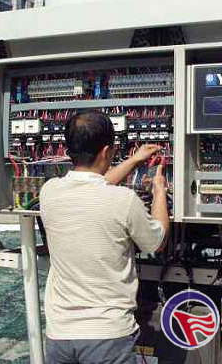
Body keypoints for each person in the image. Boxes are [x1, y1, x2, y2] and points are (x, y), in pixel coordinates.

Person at [40, 110, 170, 364]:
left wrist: (134, 160)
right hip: (108, 336)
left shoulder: (49, 192)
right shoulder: (124, 200)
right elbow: (157, 241)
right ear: (107, 152)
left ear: (68, 149)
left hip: (59, 335)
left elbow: (92, 186)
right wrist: (159, 192)